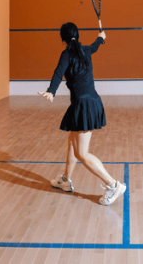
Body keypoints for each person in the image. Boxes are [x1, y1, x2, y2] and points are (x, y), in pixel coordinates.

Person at [38, 22, 126, 206]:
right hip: (92, 101)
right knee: (72, 141)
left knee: (82, 154)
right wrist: (101, 38)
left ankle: (113, 185)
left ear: (63, 38)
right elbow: (95, 46)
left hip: (84, 105)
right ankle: (65, 180)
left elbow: (58, 72)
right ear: (77, 35)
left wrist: (51, 91)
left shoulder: (67, 53)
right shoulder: (85, 50)